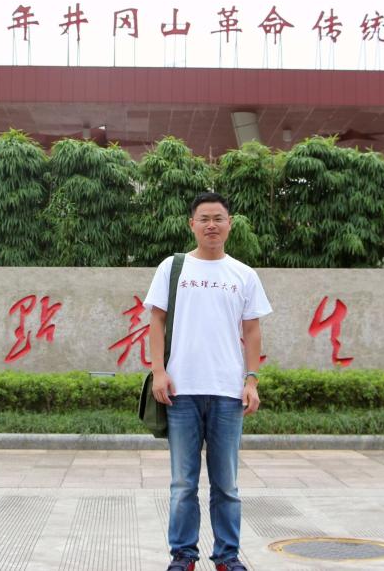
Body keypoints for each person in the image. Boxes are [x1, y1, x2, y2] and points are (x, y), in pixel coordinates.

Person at [144, 192, 272, 571]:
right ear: (192, 225)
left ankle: (227, 557)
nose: (211, 225)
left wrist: (251, 379)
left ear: (230, 224)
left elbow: (252, 330)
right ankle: (183, 556)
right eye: (204, 218)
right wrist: (158, 371)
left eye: (218, 218)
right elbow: (156, 321)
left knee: (226, 485)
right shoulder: (173, 268)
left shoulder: (243, 274)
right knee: (183, 484)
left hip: (228, 393)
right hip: (180, 392)